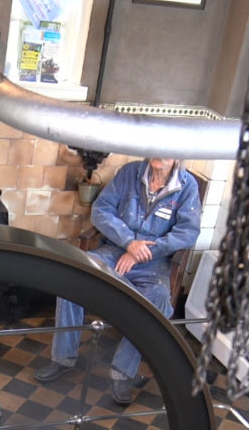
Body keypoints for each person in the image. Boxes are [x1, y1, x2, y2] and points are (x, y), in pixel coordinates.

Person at [34, 156, 202, 405]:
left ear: (177, 156)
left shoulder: (187, 186)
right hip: (113, 251)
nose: (159, 153)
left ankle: (121, 372)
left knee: (158, 303)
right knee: (72, 278)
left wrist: (144, 252)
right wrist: (128, 243)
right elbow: (102, 211)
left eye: (167, 149)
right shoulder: (130, 172)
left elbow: (187, 232)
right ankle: (63, 358)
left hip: (153, 262)